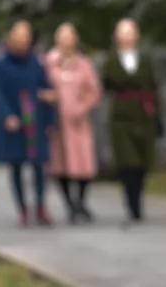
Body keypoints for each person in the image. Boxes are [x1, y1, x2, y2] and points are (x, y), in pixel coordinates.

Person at [0, 20, 55, 227]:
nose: (22, 41)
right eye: (19, 37)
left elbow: (46, 87)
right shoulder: (0, 64)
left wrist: (50, 115)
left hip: (35, 119)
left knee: (39, 167)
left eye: (26, 37)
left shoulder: (36, 62)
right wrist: (7, 115)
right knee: (16, 167)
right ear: (11, 38)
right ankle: (23, 210)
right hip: (14, 121)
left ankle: (41, 207)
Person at [101, 18, 163, 225]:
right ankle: (132, 204)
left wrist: (157, 116)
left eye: (130, 32)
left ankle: (139, 199)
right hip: (121, 117)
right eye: (122, 32)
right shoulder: (111, 61)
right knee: (128, 162)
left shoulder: (145, 60)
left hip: (143, 115)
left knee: (142, 163)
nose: (126, 36)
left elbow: (153, 87)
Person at [41, 22, 102, 223]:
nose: (66, 42)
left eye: (70, 37)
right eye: (62, 37)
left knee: (83, 164)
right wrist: (47, 97)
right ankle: (69, 204)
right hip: (57, 122)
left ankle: (81, 202)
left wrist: (81, 107)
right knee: (60, 165)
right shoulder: (48, 62)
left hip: (78, 122)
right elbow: (39, 86)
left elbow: (94, 91)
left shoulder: (83, 63)